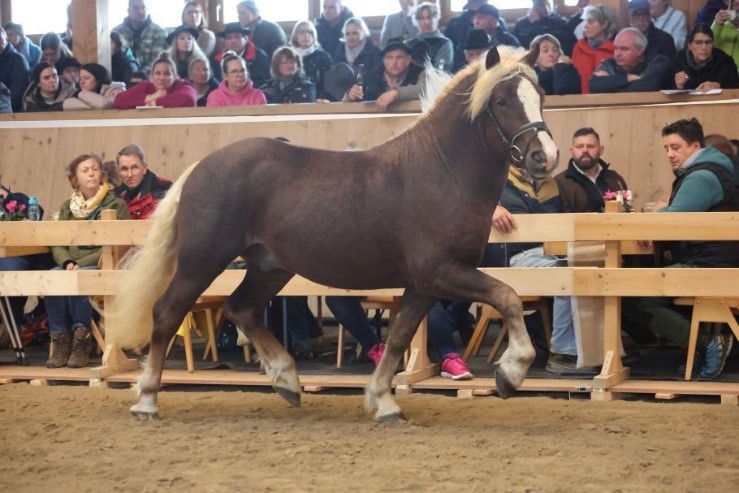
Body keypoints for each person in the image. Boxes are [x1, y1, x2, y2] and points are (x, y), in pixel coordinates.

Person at [623, 118, 738, 380]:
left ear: (695, 146)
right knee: (636, 288)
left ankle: (708, 344)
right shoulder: (709, 171)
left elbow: (670, 223)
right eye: (666, 149)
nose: (670, 154)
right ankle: (704, 345)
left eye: (675, 147)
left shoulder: (701, 177)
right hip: (717, 262)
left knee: (633, 298)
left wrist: (658, 214)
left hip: (710, 266)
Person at [45, 153, 129, 368]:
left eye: (94, 169)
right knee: (52, 278)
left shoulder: (116, 204)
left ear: (101, 174)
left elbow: (114, 244)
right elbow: (58, 242)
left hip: (101, 263)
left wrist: (80, 264)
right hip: (70, 263)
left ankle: (81, 340)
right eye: (85, 170)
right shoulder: (67, 207)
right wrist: (66, 263)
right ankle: (60, 340)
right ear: (75, 178)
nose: (91, 173)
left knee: (83, 279)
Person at [0, 185, 55, 336]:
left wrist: (6, 198)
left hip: (28, 254)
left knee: (13, 268)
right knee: (10, 267)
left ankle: (14, 325)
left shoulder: (18, 199)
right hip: (6, 257)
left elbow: (38, 213)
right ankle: (11, 326)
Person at [555, 127, 628, 213]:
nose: (585, 150)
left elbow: (628, 211)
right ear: (572, 151)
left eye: (590, 146)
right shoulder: (559, 183)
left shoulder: (615, 178)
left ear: (601, 150)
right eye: (579, 146)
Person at [344, 37, 426, 111]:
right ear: (384, 61)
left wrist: (396, 93)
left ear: (408, 59)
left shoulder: (420, 73)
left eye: (399, 57)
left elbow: (425, 89)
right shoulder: (369, 78)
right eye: (390, 57)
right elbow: (345, 105)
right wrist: (349, 96)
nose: (394, 62)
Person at [589, 27, 671, 93]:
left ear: (639, 50)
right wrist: (627, 78)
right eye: (615, 48)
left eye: (624, 49)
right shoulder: (610, 64)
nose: (617, 54)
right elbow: (594, 85)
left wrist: (610, 85)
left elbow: (650, 86)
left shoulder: (657, 61)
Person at [114, 51, 197, 109]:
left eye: (167, 74)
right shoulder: (146, 85)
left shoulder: (183, 85)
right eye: (158, 73)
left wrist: (154, 103)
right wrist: (152, 96)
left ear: (175, 77)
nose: (162, 78)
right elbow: (119, 100)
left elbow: (189, 99)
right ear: (151, 77)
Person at [673, 24, 739, 92]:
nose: (704, 48)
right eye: (698, 43)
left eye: (708, 42)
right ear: (689, 45)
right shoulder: (678, 61)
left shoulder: (725, 62)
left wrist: (719, 85)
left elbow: (735, 89)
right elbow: (666, 90)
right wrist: (678, 86)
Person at [114, 144, 172, 219]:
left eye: (134, 168)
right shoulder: (116, 197)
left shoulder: (164, 189)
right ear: (119, 172)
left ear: (144, 168)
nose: (129, 174)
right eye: (124, 169)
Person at [112, 0, 169, 76]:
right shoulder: (117, 32)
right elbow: (113, 58)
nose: (140, 11)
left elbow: (156, 60)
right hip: (121, 76)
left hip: (150, 77)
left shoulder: (159, 32)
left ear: (147, 9)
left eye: (143, 8)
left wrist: (138, 75)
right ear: (128, 11)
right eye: (136, 8)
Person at [572, 5, 618, 94]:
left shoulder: (615, 49)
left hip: (607, 102)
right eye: (585, 21)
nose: (585, 25)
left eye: (591, 22)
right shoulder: (579, 47)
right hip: (580, 101)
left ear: (604, 24)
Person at [212, 22, 271, 89]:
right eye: (229, 38)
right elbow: (217, 82)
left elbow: (261, 81)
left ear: (246, 39)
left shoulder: (259, 56)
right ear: (225, 41)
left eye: (237, 37)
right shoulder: (216, 60)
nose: (233, 41)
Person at [290, 20, 333, 99]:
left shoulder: (323, 57)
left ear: (314, 36)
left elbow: (329, 85)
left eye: (310, 32)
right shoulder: (289, 56)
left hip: (318, 101)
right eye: (302, 32)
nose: (306, 35)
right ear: (295, 36)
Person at [445, 0, 489, 71]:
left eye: (482, 14)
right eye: (473, 13)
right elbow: (449, 55)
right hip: (460, 70)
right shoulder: (453, 25)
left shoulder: (495, 24)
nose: (476, 17)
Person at [0, 26, 30, 112]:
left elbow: (17, 96)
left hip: (10, 113)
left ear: (5, 38)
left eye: (0, 39)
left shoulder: (18, 60)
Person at [711, 0, 739, 67]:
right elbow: (709, 46)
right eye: (734, 1)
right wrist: (718, 25)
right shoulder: (720, 21)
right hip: (721, 70)